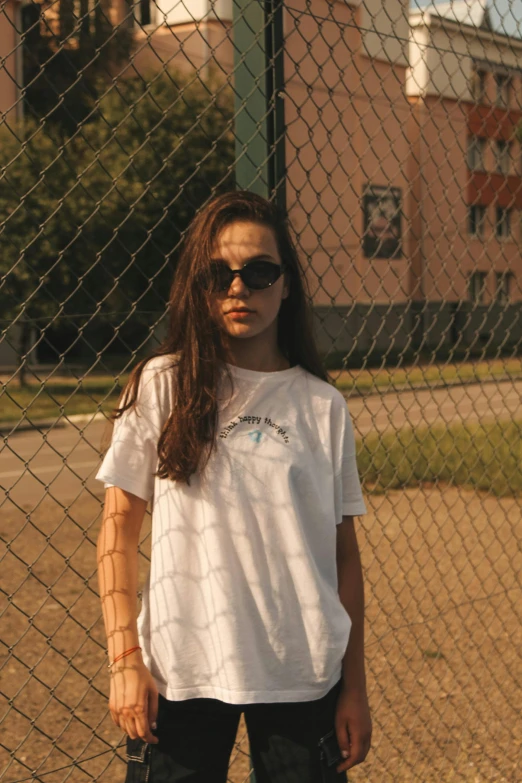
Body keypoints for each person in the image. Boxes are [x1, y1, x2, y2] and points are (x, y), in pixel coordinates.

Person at [95, 190, 372, 783]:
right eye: (218, 274)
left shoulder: (323, 406)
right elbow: (116, 537)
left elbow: (343, 556)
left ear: (287, 284)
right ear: (197, 285)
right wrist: (124, 660)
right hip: (181, 671)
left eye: (259, 272)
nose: (238, 288)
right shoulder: (159, 386)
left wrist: (355, 688)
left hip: (303, 674)